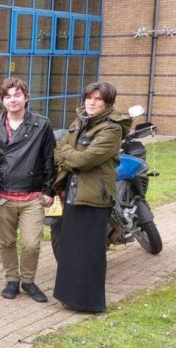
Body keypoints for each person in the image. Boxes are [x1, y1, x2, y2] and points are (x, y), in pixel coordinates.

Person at [52, 82, 131, 312]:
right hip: (72, 191)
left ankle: (88, 302)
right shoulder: (80, 121)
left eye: (97, 99)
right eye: (89, 98)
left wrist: (68, 154)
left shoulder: (112, 128)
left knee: (90, 252)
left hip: (94, 196)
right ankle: (69, 297)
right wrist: (69, 155)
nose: (91, 103)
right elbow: (59, 151)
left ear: (107, 103)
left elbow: (84, 160)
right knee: (70, 249)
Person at [0, 76, 56, 303]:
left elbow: (50, 160)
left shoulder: (41, 125)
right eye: (8, 96)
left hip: (32, 196)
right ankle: (12, 280)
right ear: (2, 100)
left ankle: (29, 281)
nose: (12, 100)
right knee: (6, 242)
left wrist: (49, 190)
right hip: (1, 196)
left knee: (31, 243)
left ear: (26, 97)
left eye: (17, 95)